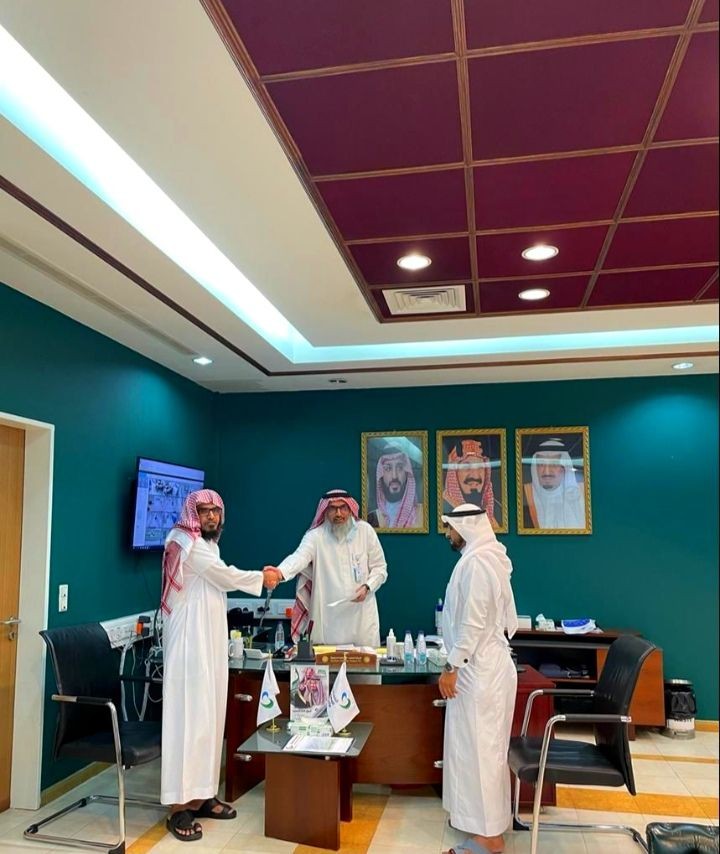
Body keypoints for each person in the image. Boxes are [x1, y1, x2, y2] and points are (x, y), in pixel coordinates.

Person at [160, 489, 280, 842]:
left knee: (209, 718)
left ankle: (201, 796)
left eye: (216, 511)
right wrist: (262, 578)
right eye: (204, 511)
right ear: (192, 513)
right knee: (188, 721)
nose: (211, 516)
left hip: (208, 643)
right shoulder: (187, 542)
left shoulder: (207, 544)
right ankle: (178, 807)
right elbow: (225, 576)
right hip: (189, 645)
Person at [438, 504, 519, 854]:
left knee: (483, 753)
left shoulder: (477, 563)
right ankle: (482, 825)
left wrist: (451, 666)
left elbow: (473, 623)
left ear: (465, 527)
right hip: (481, 669)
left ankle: (490, 839)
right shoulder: (484, 557)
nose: (447, 534)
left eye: (450, 528)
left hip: (480, 671)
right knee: (476, 751)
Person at [266, 489, 387, 647]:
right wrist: (280, 572)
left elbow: (380, 568)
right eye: (333, 508)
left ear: (350, 509)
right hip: (328, 623)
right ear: (325, 511)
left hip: (362, 621)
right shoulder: (316, 536)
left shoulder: (365, 532)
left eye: (343, 508)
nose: (338, 514)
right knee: (327, 661)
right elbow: (299, 558)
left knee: (364, 661)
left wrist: (368, 586)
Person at [523, 437, 585, 529]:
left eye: (554, 464)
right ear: (535, 469)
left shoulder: (583, 492)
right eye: (541, 464)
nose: (547, 471)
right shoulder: (525, 495)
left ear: (564, 468)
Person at [442, 439, 500, 530]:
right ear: (454, 473)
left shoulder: (498, 510)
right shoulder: (444, 508)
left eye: (480, 467)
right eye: (466, 466)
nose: (475, 475)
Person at [367, 445, 424, 529]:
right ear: (381, 475)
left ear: (407, 474)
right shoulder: (372, 518)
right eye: (388, 469)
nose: (394, 476)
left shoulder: (423, 513)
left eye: (400, 468)